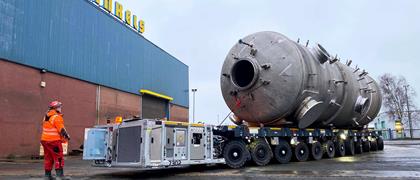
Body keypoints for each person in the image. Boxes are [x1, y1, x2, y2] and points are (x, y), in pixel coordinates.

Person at [40, 101, 71, 180]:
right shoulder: (56, 117)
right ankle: (59, 176)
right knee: (58, 157)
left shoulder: (46, 116)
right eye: (59, 107)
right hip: (54, 141)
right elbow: (61, 129)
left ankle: (47, 176)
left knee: (48, 158)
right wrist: (67, 136)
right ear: (56, 108)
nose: (61, 108)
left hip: (44, 140)